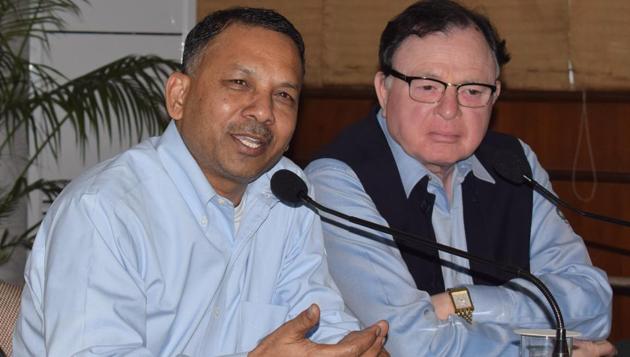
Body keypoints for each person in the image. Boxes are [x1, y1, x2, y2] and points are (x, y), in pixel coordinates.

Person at [13, 7, 389, 356]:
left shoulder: (287, 192)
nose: (263, 111)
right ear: (179, 95)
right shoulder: (103, 211)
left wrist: (355, 349)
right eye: (240, 83)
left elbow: (320, 320)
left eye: (284, 95)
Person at [305, 1, 614, 356]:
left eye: (472, 91)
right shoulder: (338, 177)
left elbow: (593, 306)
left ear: (495, 95)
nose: (450, 110)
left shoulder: (514, 163)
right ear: (384, 89)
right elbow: (410, 342)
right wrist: (541, 349)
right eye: (427, 87)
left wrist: (460, 303)